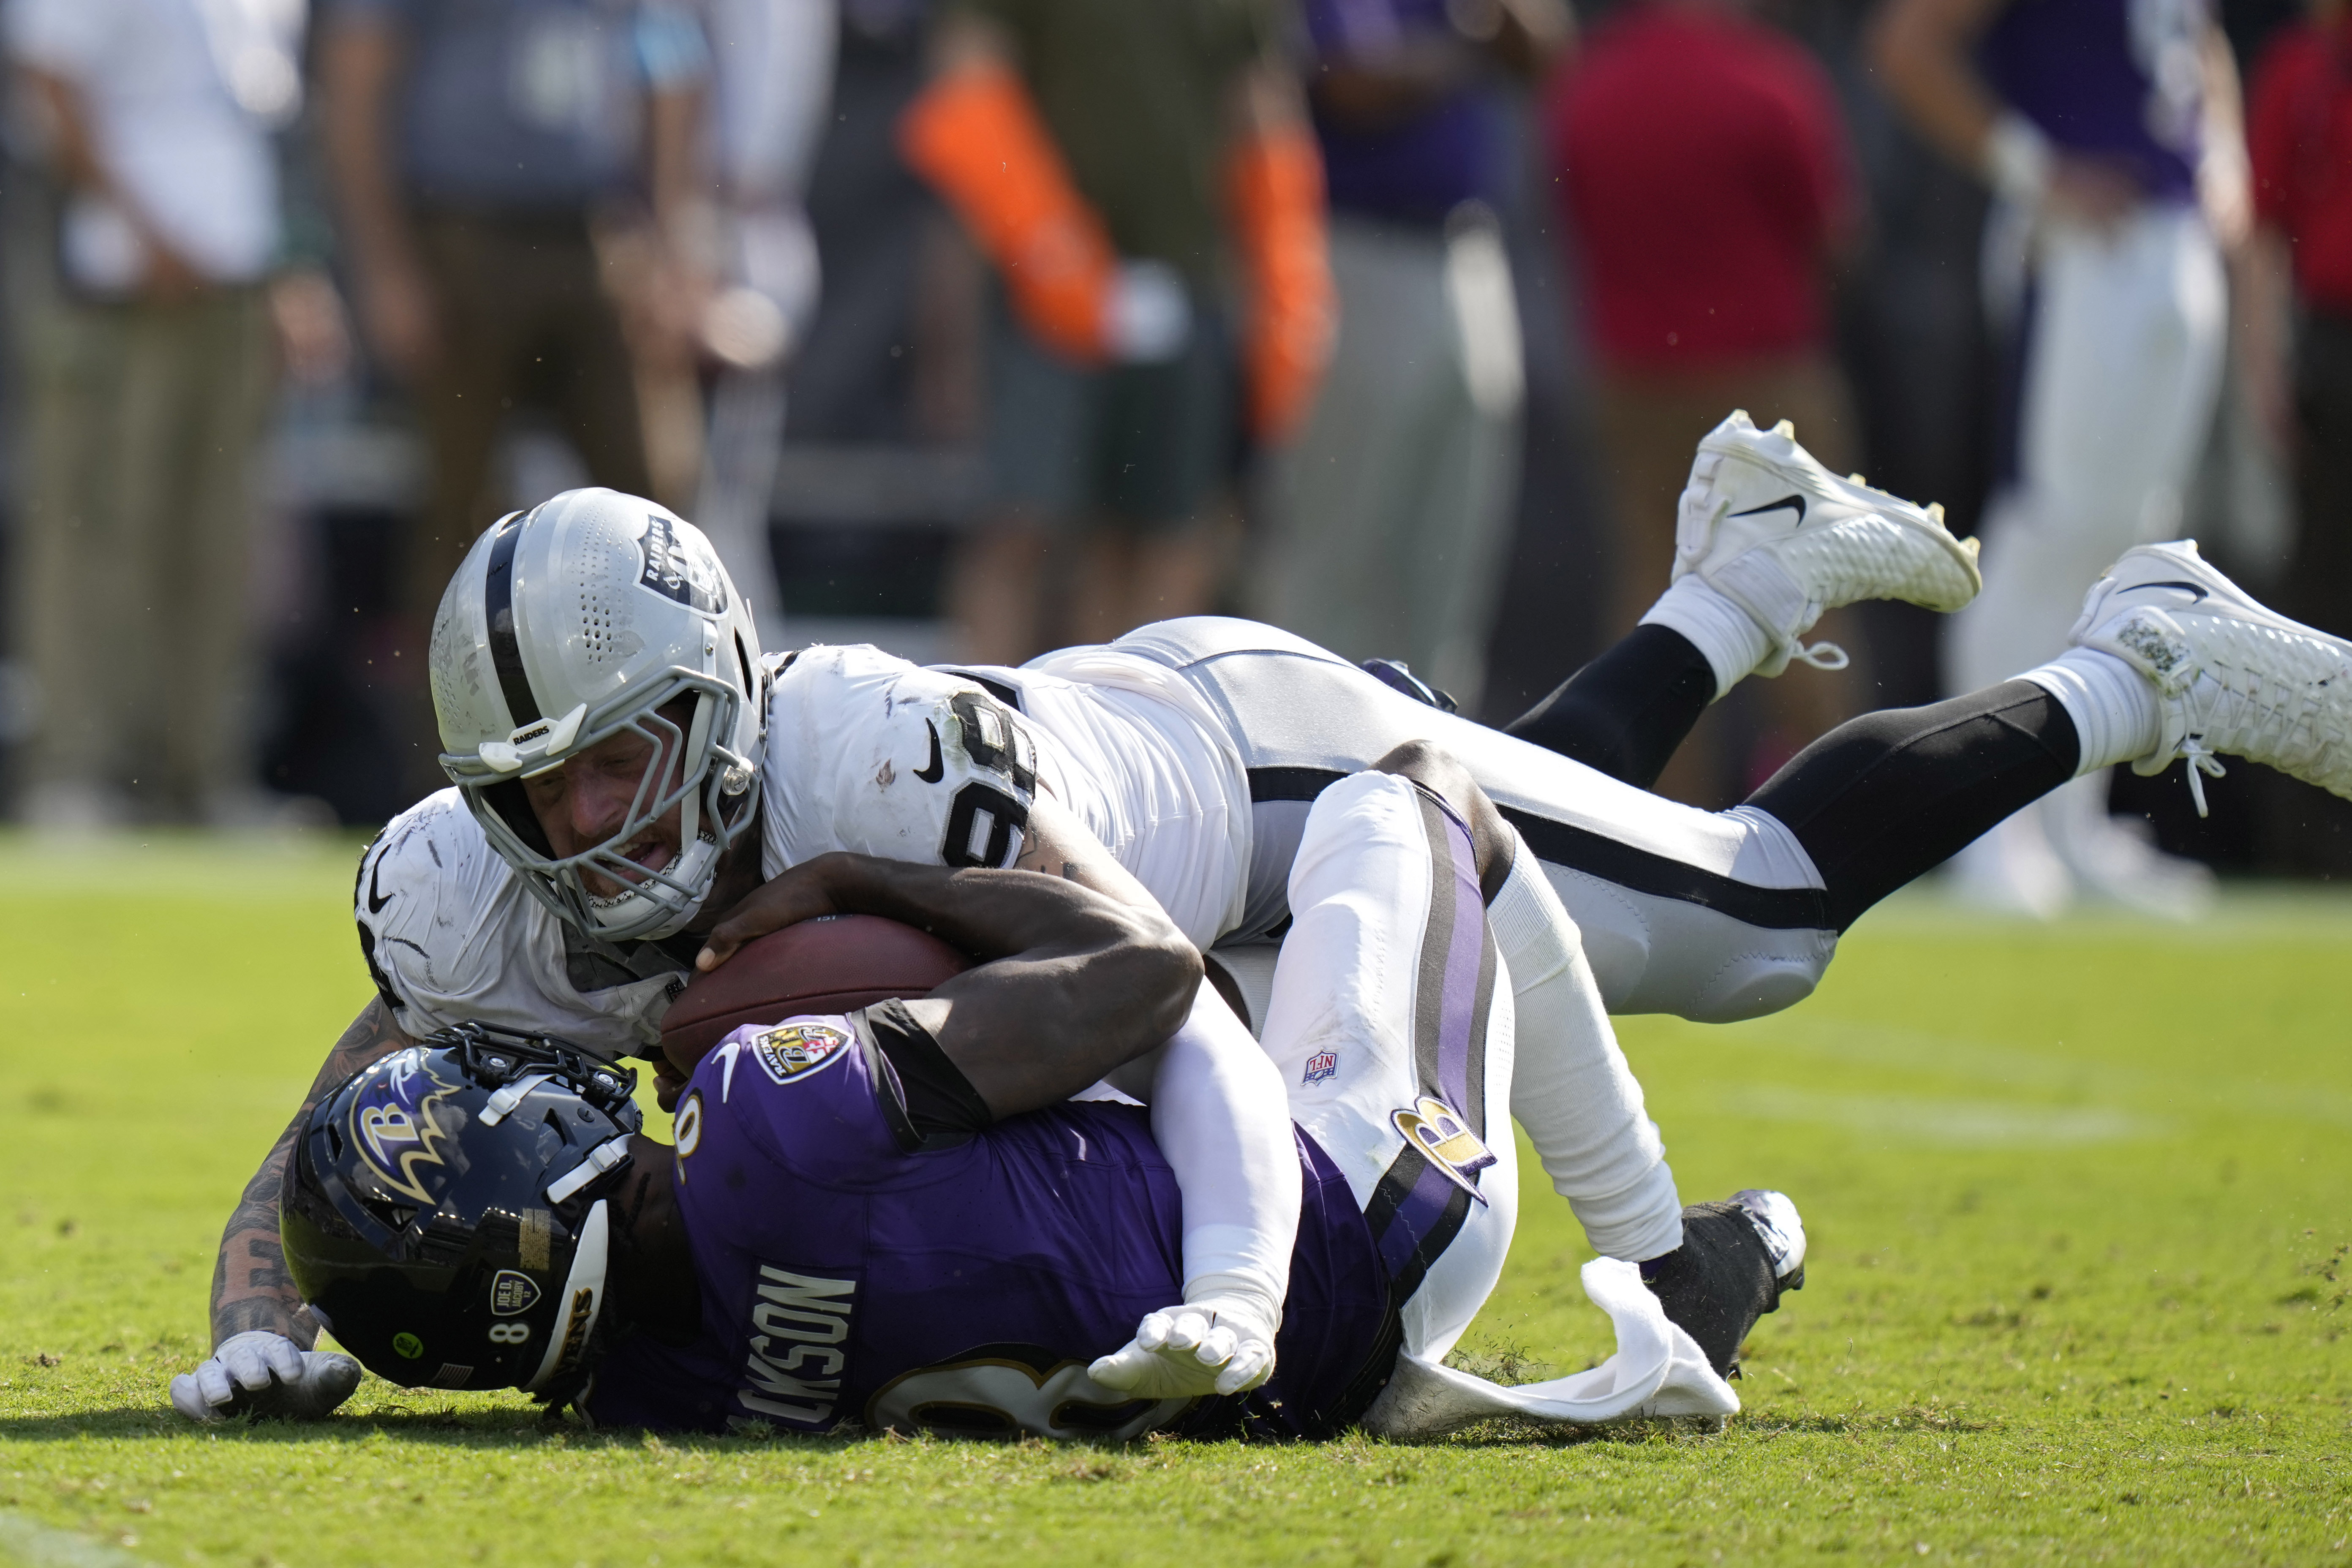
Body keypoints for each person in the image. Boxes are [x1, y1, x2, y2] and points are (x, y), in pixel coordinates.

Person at [171, 414, 2352, 1417]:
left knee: (1750, 923)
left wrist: (1241, 1277)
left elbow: (1157, 1004)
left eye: (613, 758)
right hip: (1138, 917)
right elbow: (356, 1102)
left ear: (716, 705)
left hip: (1252, 786)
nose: (579, 821)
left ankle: (2126, 666)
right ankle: (1746, 577)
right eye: (527, 785)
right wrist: (256, 1301)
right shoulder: (478, 897)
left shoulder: (864, 760)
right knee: (1558, 840)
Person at [255, 751, 1802, 1438]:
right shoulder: (764, 1114)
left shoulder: (641, 1391)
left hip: (1271, 1396)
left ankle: (1690, 1257)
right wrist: (864, 877)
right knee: (1409, 795)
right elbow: (1146, 979)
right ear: (524, 1160)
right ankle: (1668, 1247)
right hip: (1365, 1224)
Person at [1871, 0, 2248, 916]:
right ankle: (1987, 821)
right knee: (2049, 530)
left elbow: (2197, 41)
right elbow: (1908, 45)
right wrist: (2034, 170)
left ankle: (2074, 823)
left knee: (2132, 546)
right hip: (2089, 249)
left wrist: (2225, 164)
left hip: (2172, 237)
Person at [317, 0, 710, 782]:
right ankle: (448, 780)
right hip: (461, 234)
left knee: (656, 514)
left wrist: (673, 248)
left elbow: (670, 67)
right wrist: (386, 264)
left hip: (596, 234)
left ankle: (671, 761)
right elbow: (355, 87)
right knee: (457, 527)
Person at [897, 0, 1334, 662]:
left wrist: (1286, 291)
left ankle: (1120, 742)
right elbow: (968, 79)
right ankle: (976, 728)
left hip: (1190, 284)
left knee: (1165, 537)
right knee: (1021, 530)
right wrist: (1053, 253)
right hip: (1037, 291)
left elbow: (1260, 101)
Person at [1546, 0, 1869, 803]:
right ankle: (1831, 811)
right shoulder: (1769, 79)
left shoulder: (1589, 85)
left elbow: (1571, 216)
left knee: (1653, 606)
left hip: (1635, 384)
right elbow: (1837, 234)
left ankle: (1650, 818)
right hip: (1764, 382)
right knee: (1806, 596)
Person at [4, 0, 308, 827]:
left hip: (231, 280)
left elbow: (240, 118)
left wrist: (282, 272)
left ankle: (205, 775)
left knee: (216, 540)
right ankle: (79, 775)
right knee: (98, 532)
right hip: (122, 285)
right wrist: (145, 228)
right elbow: (47, 86)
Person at [1245, 0, 1570, 709]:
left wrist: (1485, 32)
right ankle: (1291, 746)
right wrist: (1471, 41)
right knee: (1336, 541)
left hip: (1469, 259)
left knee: (1451, 550)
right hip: (1358, 255)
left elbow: (1546, 52)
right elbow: (1355, 83)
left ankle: (1435, 764)